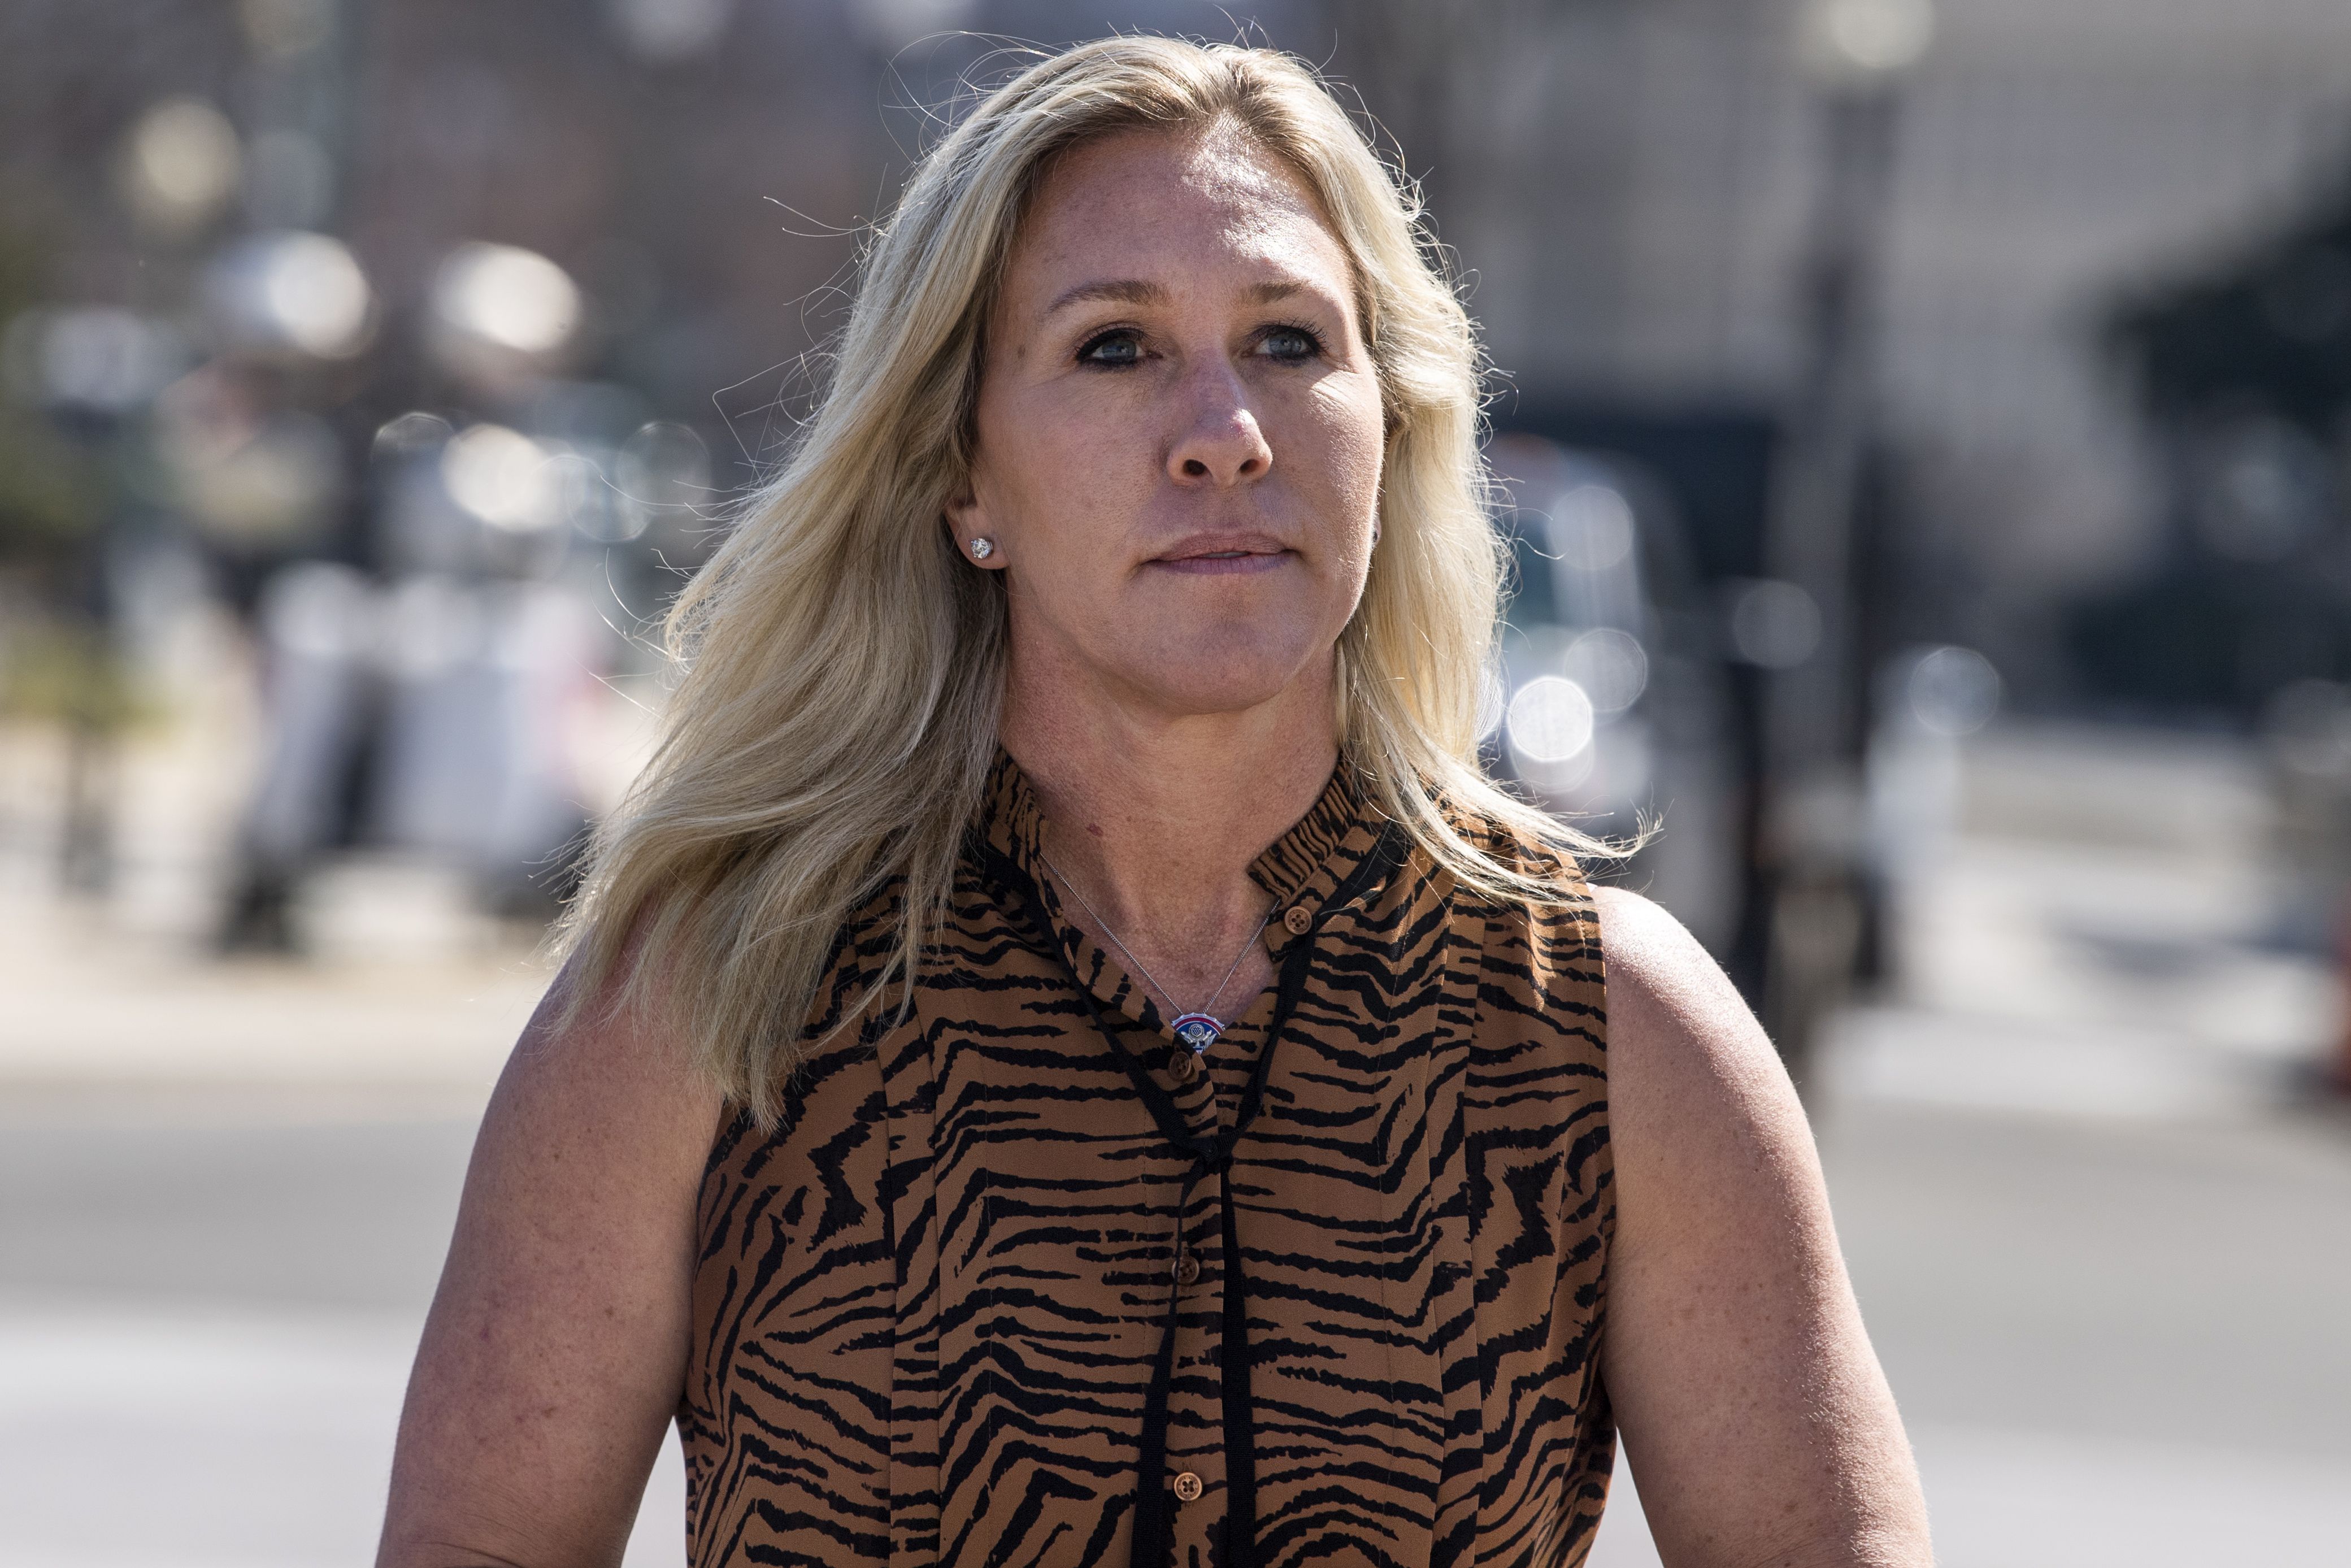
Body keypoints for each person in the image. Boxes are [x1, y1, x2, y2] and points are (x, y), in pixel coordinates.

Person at [379, 36, 1932, 1568]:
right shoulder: (712, 993)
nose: (1224, 432)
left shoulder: (1606, 1032)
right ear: (961, 477)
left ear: (1387, 430)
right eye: (1113, 347)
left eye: (1288, 343)